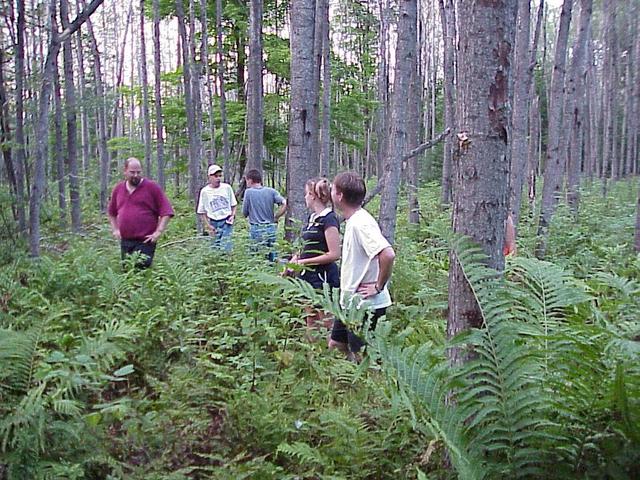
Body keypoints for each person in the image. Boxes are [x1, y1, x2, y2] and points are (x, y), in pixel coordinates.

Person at [330, 171, 396, 360]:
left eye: (334, 189)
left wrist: (378, 286)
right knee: (336, 344)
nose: (331, 192)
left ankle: (368, 385)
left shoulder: (361, 223)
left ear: (340, 195)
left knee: (363, 356)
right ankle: (346, 384)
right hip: (350, 301)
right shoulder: (354, 220)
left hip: (365, 305)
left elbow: (388, 254)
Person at [289, 178, 341, 341]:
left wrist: (303, 263)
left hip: (323, 278)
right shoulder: (313, 219)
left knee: (325, 319)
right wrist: (293, 262)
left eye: (306, 194)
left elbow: (334, 254)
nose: (305, 198)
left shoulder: (329, 219)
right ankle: (312, 354)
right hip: (307, 277)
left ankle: (332, 355)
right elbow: (305, 246)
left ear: (313, 196)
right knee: (310, 317)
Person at [107, 157, 174, 268]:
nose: (136, 175)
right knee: (128, 271)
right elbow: (112, 212)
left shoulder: (152, 187)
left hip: (146, 241)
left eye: (138, 172)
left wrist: (158, 232)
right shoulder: (118, 189)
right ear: (125, 171)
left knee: (141, 269)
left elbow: (166, 212)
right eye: (132, 172)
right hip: (126, 240)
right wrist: (115, 230)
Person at [242, 169, 287, 261]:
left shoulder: (248, 192)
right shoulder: (271, 191)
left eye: (246, 180)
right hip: (270, 228)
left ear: (250, 180)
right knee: (272, 255)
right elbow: (285, 203)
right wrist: (276, 217)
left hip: (256, 228)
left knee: (256, 256)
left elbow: (244, 212)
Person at [197, 164, 238, 252]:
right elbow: (201, 212)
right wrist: (208, 226)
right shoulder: (205, 192)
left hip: (226, 221)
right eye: (215, 176)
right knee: (215, 247)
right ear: (209, 177)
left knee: (227, 246)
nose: (218, 178)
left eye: (220, 176)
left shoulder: (227, 188)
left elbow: (233, 205)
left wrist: (232, 215)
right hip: (213, 222)